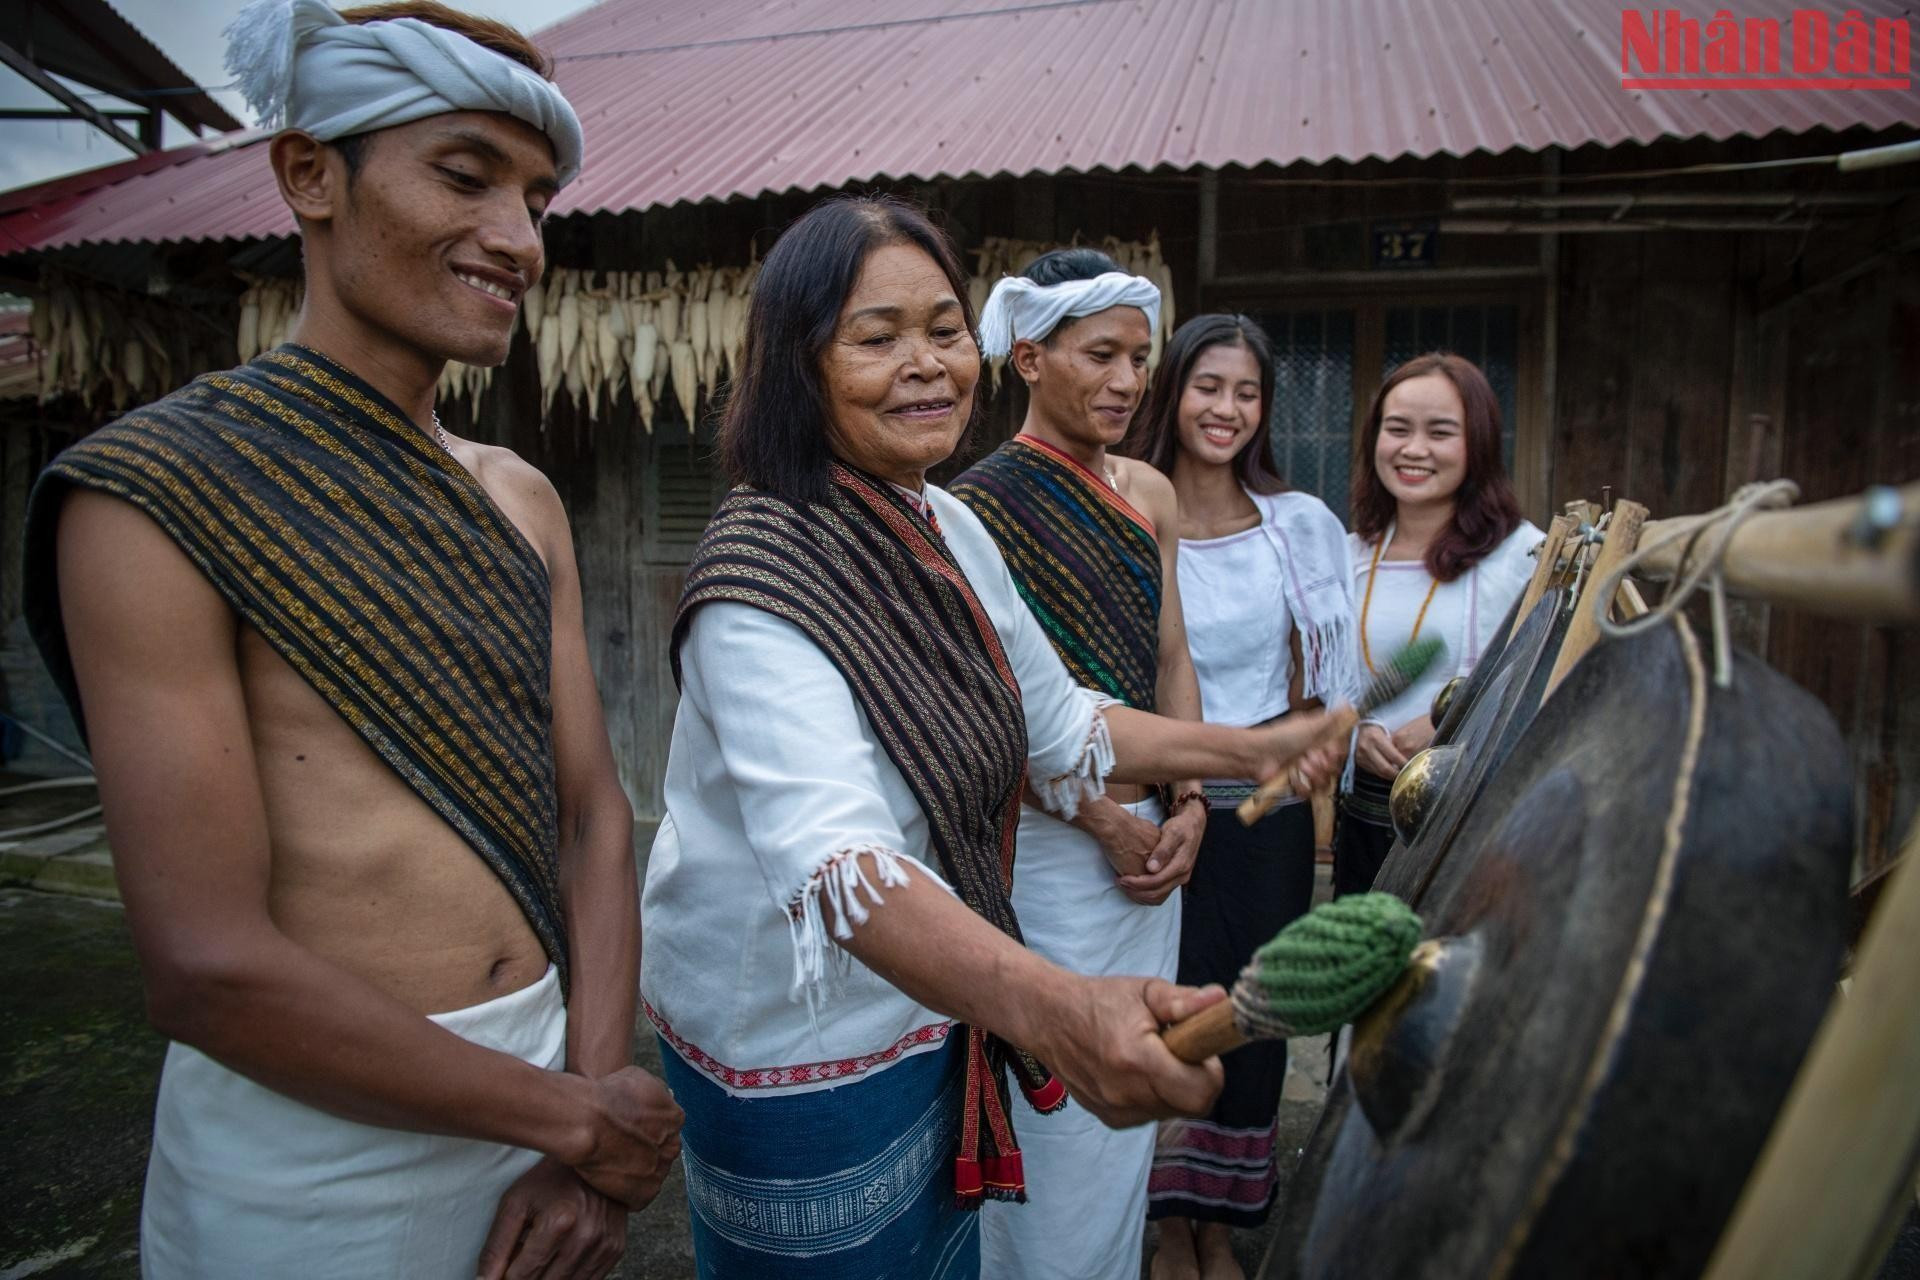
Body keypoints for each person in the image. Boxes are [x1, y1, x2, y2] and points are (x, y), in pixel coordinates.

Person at [21, 4, 681, 1277]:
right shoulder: (156, 498)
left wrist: (588, 1108)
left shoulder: (519, 498)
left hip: (551, 1102)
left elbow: (595, 818)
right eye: (464, 175)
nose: (518, 239)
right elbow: (207, 967)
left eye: (537, 198)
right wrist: (584, 1118)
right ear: (309, 173)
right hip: (310, 1160)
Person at [639, 194, 1343, 1280]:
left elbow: (1060, 724)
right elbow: (841, 867)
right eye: (878, 337)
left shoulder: (943, 521)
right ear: (798, 363)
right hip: (799, 1044)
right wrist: (1062, 1008)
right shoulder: (761, 578)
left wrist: (1247, 752)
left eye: (944, 328)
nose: (927, 364)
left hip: (930, 1007)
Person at [948, 248, 1207, 1280]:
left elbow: (1170, 654)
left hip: (1157, 860)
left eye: (1139, 357)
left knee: (1129, 1111)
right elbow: (985, 713)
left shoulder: (1150, 492)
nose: (1127, 380)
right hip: (1050, 859)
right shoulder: (973, 510)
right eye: (1100, 354)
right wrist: (1104, 818)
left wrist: (1190, 800)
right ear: (1028, 356)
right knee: (1054, 1111)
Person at [1123, 314, 1357, 1280]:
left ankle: (1219, 1225)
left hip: (1265, 823)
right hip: (1162, 814)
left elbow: (1324, 687)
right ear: (1172, 392)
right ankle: (1168, 1223)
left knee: (1253, 1018)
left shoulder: (1299, 526)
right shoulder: (1127, 509)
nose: (1226, 408)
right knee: (1171, 1014)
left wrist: (1314, 749)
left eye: (1246, 392)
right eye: (1207, 385)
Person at [1333, 352, 1542, 897]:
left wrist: (1455, 721)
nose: (1414, 449)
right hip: (1366, 819)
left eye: (1441, 432)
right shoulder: (1348, 556)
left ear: (1478, 444)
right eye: (1397, 429)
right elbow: (1324, 681)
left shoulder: (1524, 555)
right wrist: (1355, 736)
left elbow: (1548, 678)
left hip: (1473, 821)